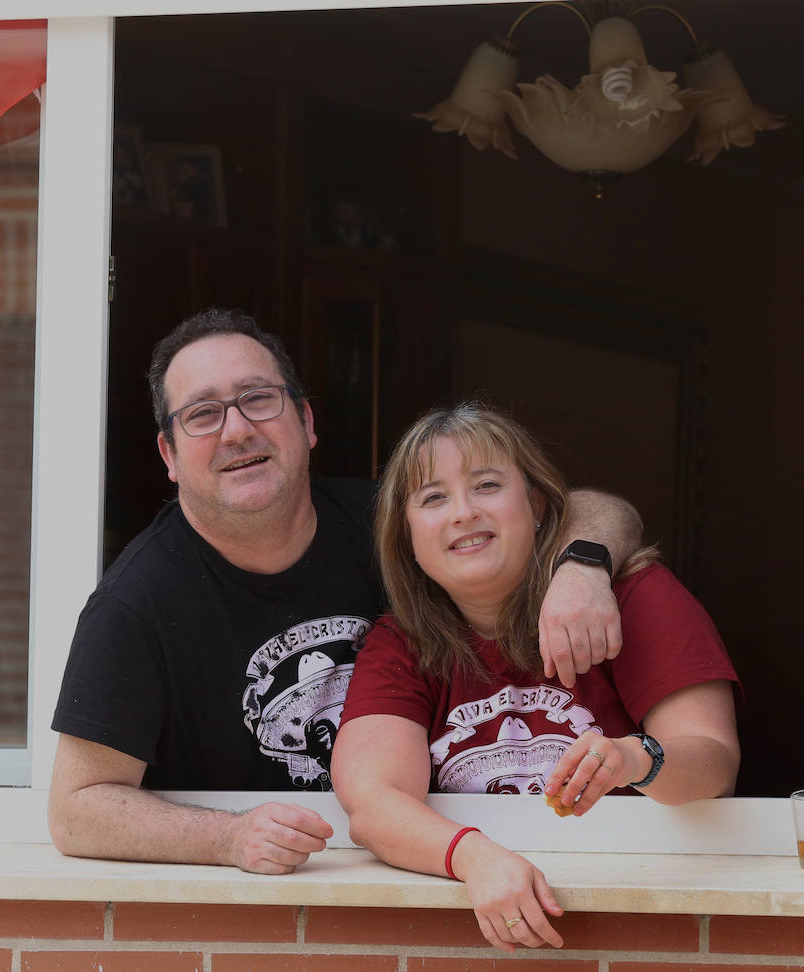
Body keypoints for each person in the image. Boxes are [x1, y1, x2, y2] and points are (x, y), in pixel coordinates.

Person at [48, 309, 642, 874]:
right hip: (284, 885)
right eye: (202, 414)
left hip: (451, 852)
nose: (236, 430)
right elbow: (76, 809)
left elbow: (590, 508)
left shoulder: (386, 524)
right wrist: (227, 837)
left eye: (259, 398)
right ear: (168, 454)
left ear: (306, 422)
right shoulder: (135, 604)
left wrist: (582, 566)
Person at [331, 403, 740, 952]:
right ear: (405, 537)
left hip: (644, 921)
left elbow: (715, 763)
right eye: (433, 497)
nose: (462, 512)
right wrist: (475, 858)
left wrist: (635, 758)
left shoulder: (634, 595)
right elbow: (373, 802)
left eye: (487, 485)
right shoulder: (402, 642)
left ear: (538, 505)